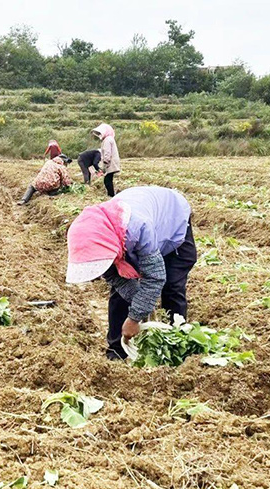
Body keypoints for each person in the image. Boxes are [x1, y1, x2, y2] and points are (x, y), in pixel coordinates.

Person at [65, 186, 197, 360]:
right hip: (133, 226)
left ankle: (175, 348)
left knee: (172, 285)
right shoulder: (95, 234)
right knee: (121, 290)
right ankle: (116, 351)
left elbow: (156, 277)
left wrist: (134, 318)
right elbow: (115, 277)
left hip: (171, 219)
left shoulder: (139, 228)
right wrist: (140, 308)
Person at [91, 123, 121, 197]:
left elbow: (107, 152)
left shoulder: (107, 140)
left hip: (110, 163)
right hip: (111, 163)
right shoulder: (109, 139)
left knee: (107, 181)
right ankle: (111, 194)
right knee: (108, 180)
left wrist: (105, 162)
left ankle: (111, 195)